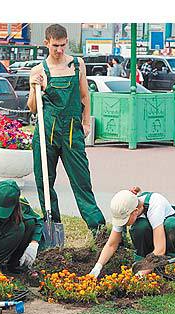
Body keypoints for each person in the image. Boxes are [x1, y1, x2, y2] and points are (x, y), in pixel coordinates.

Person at [27, 24, 105, 234]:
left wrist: (86, 122)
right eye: (55, 46)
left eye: (62, 45)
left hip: (72, 132)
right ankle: (53, 230)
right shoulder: (38, 70)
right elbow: (33, 108)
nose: (59, 50)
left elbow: (84, 96)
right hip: (47, 132)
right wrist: (34, 88)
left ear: (66, 42)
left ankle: (98, 230)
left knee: (82, 181)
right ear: (46, 44)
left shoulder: (77, 65)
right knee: (44, 181)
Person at [88, 187, 175, 277]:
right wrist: (97, 267)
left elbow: (160, 249)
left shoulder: (155, 204)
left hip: (169, 235)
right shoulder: (124, 208)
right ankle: (142, 259)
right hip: (154, 236)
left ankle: (172, 258)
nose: (123, 223)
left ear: (135, 211)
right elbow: (111, 244)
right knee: (139, 227)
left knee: (173, 226)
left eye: (125, 220)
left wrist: (140, 274)